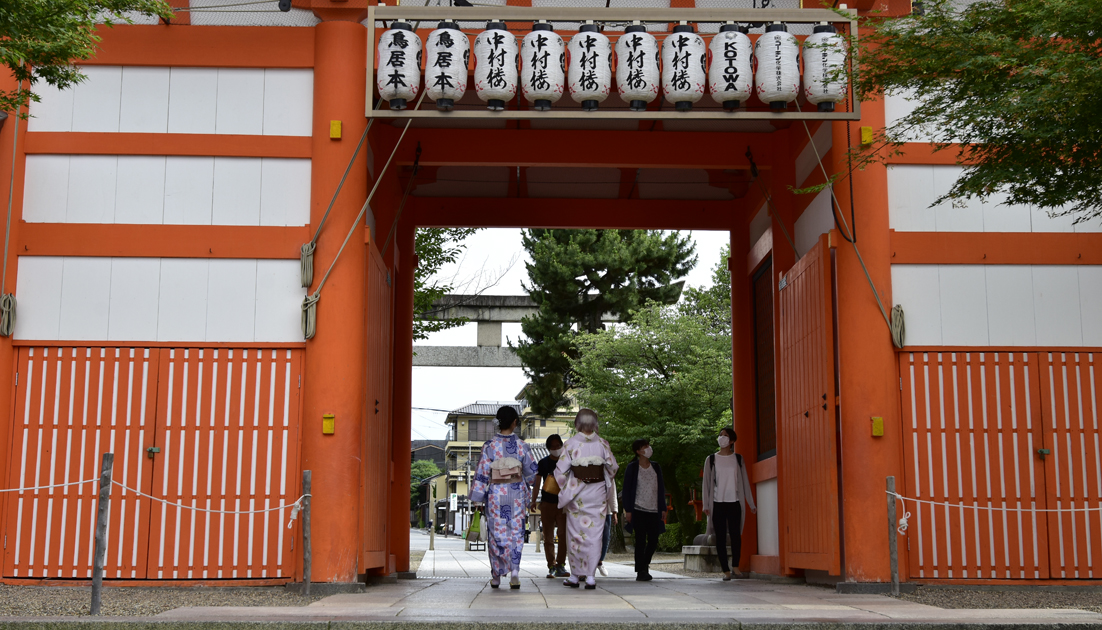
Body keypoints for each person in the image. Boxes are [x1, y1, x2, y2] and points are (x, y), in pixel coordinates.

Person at [469, 406, 539, 589]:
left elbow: (483, 474)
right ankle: (514, 570)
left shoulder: (489, 447)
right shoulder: (523, 446)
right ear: (515, 422)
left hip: (496, 495)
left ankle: (496, 577)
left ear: (498, 423)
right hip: (516, 494)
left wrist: (478, 499)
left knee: (496, 534)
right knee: (515, 534)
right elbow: (532, 474)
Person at [554, 408, 619, 590]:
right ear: (595, 424)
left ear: (578, 423)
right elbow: (613, 468)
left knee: (576, 534)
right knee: (595, 535)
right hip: (597, 493)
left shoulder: (571, 444)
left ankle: (575, 575)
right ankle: (590, 576)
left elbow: (560, 471)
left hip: (578, 494)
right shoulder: (603, 444)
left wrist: (570, 485)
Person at [702, 426, 756, 581]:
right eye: (720, 435)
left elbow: (744, 481)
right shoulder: (711, 459)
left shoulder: (738, 459)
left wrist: (751, 503)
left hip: (734, 502)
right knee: (719, 537)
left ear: (731, 441)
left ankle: (736, 567)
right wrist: (706, 504)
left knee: (735, 535)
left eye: (725, 436)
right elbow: (706, 483)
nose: (721, 438)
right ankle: (725, 570)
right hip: (717, 502)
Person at [621, 438, 666, 581]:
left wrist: (663, 507)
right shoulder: (633, 467)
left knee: (653, 539)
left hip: (654, 509)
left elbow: (661, 488)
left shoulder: (656, 467)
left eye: (648, 445)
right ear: (638, 451)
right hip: (638, 508)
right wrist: (628, 510)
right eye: (644, 447)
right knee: (640, 540)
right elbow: (626, 489)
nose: (648, 448)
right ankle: (641, 570)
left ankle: (644, 563)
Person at [532, 434, 570, 578]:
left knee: (563, 535)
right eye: (552, 447)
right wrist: (533, 500)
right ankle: (551, 565)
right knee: (548, 536)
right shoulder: (543, 463)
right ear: (548, 448)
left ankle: (561, 564)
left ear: (562, 446)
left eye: (558, 446)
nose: (556, 449)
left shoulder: (567, 462)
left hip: (564, 504)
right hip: (547, 503)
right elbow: (536, 484)